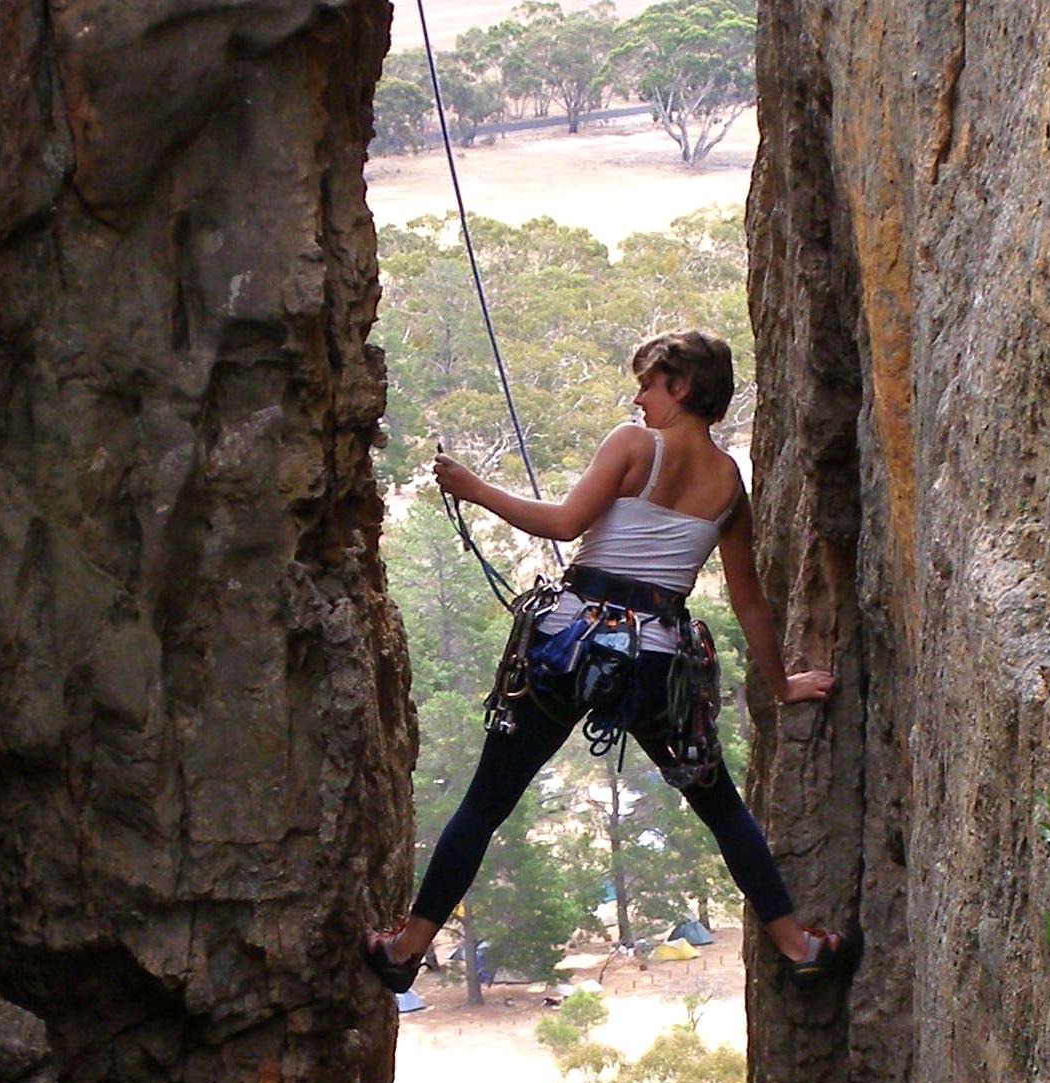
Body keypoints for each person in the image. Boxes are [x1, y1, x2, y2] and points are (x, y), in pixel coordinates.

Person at [365, 330, 858, 991]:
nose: (638, 397)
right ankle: (797, 943)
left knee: (486, 803)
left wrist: (473, 488)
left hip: (567, 651)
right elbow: (750, 600)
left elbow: (566, 525)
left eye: (648, 383)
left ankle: (405, 951)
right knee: (722, 810)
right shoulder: (728, 483)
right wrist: (782, 685)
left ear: (679, 388)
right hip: (658, 665)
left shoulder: (633, 447)